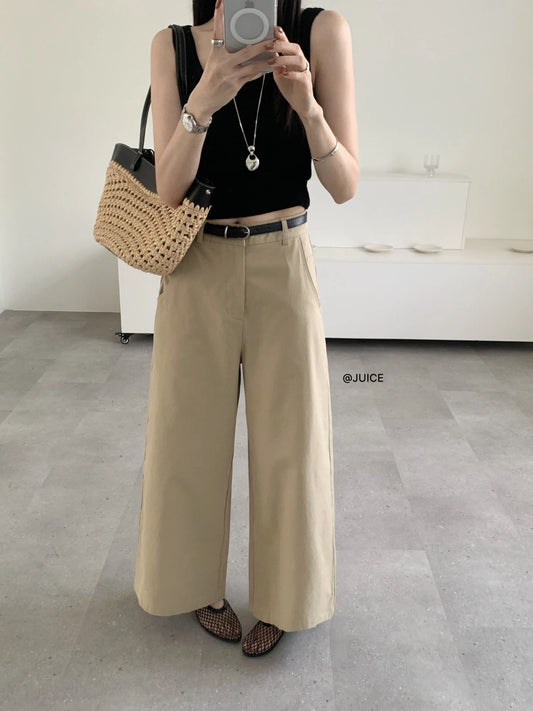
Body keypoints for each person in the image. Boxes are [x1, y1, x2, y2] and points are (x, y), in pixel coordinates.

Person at [134, 0, 359, 657]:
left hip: (283, 261)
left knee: (293, 441)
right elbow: (169, 190)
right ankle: (191, 586)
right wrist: (203, 99)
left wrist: (307, 105)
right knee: (185, 437)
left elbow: (345, 183)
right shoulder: (173, 44)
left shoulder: (320, 31)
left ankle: (288, 598)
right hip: (196, 262)